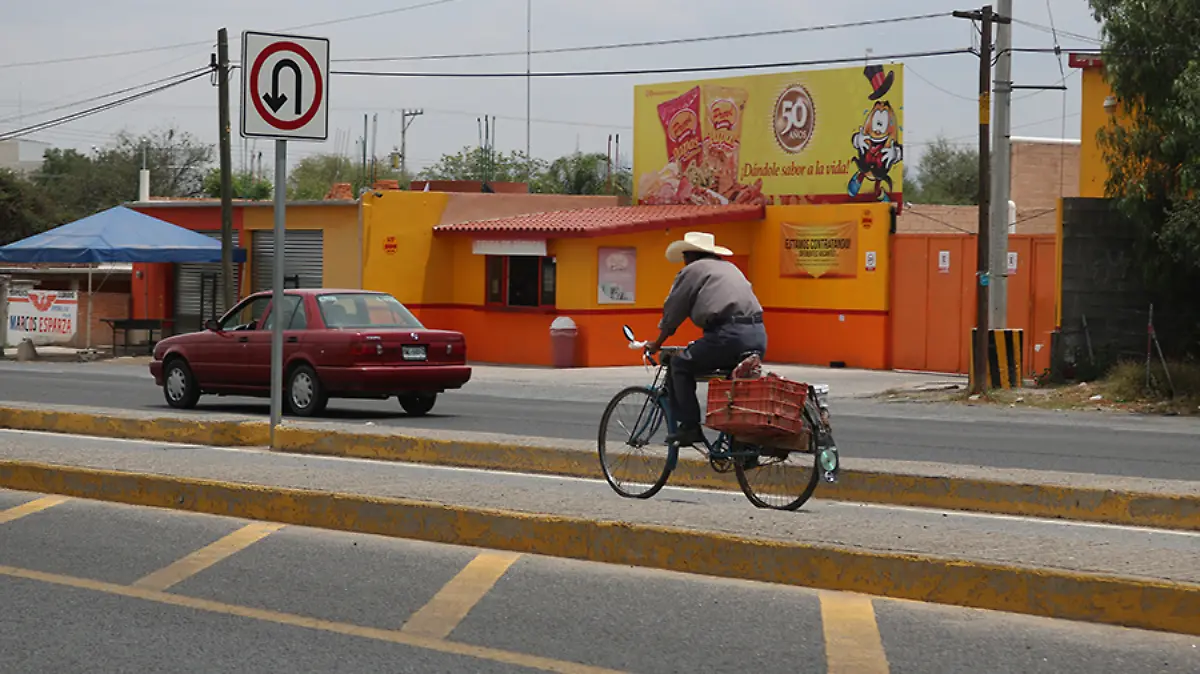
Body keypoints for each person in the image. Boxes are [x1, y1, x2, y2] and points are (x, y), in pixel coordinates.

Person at [646, 231, 767, 447]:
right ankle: (743, 444)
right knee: (736, 380)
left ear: (691, 255)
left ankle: (690, 427)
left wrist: (657, 343)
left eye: (685, 256)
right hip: (757, 334)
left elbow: (674, 310)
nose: (684, 261)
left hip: (728, 335)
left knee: (680, 365)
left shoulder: (693, 270)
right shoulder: (730, 268)